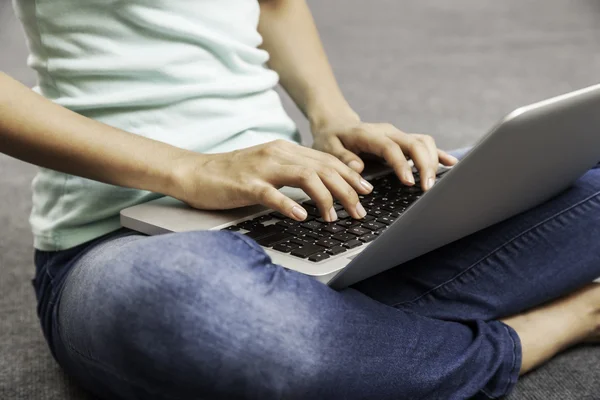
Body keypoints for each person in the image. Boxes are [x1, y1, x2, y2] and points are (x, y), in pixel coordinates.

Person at [2, 0, 600, 398]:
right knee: (195, 305)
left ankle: (349, 340)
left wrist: (332, 119)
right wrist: (191, 169)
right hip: (125, 244)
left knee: (558, 152)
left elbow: (273, 3)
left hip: (303, 200)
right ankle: (539, 330)